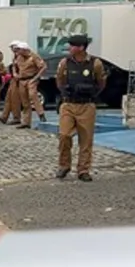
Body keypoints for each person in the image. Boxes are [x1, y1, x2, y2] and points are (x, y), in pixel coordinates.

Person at [56, 34, 106, 182]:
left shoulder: (95, 63)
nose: (70, 48)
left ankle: (83, 169)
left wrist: (90, 93)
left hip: (86, 105)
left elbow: (101, 82)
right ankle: (64, 165)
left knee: (86, 139)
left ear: (81, 48)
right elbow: (60, 80)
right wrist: (65, 92)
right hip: (69, 104)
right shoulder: (65, 63)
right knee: (64, 135)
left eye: (73, 46)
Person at [15, 42, 48, 129]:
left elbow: (43, 67)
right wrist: (16, 74)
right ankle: (26, 122)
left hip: (31, 79)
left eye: (19, 49)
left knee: (33, 95)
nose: (17, 51)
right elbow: (15, 66)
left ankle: (41, 115)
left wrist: (36, 77)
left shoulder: (33, 56)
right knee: (24, 101)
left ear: (24, 49)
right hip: (22, 80)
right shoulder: (19, 57)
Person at [0, 41, 23, 125]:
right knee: (8, 98)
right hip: (13, 79)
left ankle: (16, 117)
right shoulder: (15, 57)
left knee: (15, 99)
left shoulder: (20, 57)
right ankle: (4, 116)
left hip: (17, 80)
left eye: (13, 47)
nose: (12, 49)